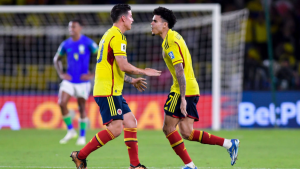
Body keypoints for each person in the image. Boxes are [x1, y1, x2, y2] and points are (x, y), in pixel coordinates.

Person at [70, 4, 161, 169]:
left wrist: (131, 80)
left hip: (113, 91)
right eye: (131, 17)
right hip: (108, 92)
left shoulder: (108, 35)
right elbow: (123, 65)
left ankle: (135, 165)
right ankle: (80, 155)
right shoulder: (117, 36)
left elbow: (112, 67)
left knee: (131, 122)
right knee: (116, 129)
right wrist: (144, 71)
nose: (133, 20)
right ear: (123, 18)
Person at [150, 7, 240, 169]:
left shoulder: (170, 41)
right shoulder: (174, 37)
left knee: (168, 128)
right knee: (187, 132)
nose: (152, 23)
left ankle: (190, 165)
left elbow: (180, 69)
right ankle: (229, 144)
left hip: (181, 90)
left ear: (165, 24)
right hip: (192, 87)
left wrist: (182, 98)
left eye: (155, 21)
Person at [53, 19, 98, 145]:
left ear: (80, 28)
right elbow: (56, 59)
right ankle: (71, 131)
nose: (71, 29)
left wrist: (92, 74)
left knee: (81, 107)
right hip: (70, 80)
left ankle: (82, 136)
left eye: (73, 27)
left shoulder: (88, 42)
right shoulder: (66, 44)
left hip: (83, 81)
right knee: (62, 103)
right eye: (70, 27)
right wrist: (61, 73)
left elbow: (101, 56)